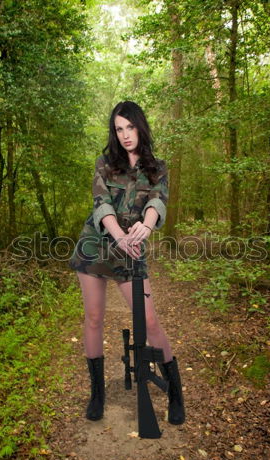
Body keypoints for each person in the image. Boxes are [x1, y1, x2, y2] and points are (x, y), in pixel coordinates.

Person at [69, 101, 185, 426]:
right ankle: (97, 394)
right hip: (95, 243)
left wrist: (146, 227)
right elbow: (101, 202)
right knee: (94, 318)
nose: (124, 135)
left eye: (129, 127)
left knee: (149, 322)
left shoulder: (157, 167)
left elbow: (157, 200)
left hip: (131, 247)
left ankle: (176, 393)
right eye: (118, 129)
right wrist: (119, 234)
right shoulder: (104, 163)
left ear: (140, 127)